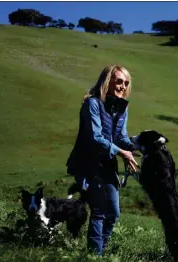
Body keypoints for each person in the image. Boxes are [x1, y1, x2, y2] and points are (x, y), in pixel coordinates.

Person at [66, 65, 138, 255]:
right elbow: (95, 138)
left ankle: (100, 252)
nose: (123, 86)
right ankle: (94, 256)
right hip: (89, 164)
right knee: (99, 211)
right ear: (108, 81)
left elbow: (121, 137)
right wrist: (122, 153)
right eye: (119, 81)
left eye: (126, 83)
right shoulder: (93, 104)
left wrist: (140, 147)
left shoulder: (123, 108)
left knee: (113, 214)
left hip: (108, 166)